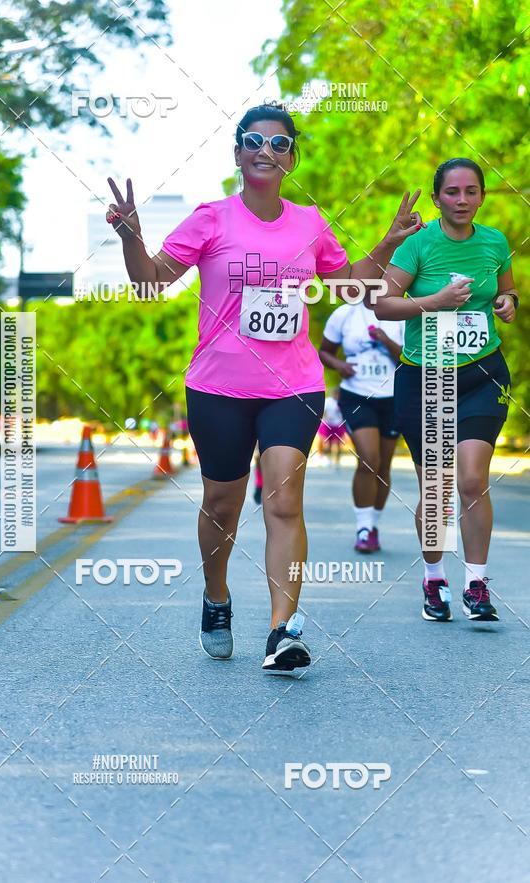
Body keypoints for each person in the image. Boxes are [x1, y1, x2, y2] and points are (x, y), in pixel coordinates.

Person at [106, 101, 423, 670]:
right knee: (222, 504)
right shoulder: (211, 218)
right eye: (253, 141)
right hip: (218, 387)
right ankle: (217, 595)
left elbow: (351, 285)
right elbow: (150, 281)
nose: (265, 151)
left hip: (293, 385)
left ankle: (283, 630)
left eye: (279, 144)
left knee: (284, 499)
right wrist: (132, 236)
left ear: (291, 157)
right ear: (237, 155)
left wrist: (391, 242)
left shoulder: (310, 222)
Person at [374, 157, 518, 622]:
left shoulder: (495, 242)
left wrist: (505, 302)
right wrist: (434, 302)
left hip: (482, 372)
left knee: (473, 479)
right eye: (452, 192)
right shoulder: (418, 244)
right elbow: (383, 305)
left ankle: (476, 584)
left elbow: (508, 290)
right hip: (425, 376)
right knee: (435, 488)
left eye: (471, 191)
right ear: (436, 199)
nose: (462, 200)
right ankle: (434, 578)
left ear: (481, 196)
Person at [319, 303, 405, 551]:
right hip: (357, 395)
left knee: (383, 466)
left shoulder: (401, 311)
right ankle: (363, 528)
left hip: (393, 396)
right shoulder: (345, 314)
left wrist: (385, 339)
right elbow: (324, 352)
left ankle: (374, 524)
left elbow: (409, 358)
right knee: (369, 459)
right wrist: (339, 365)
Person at [316, 388, 345, 466]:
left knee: (338, 443)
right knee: (324, 441)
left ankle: (337, 461)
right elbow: (323, 411)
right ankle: (322, 457)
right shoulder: (328, 401)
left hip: (338, 424)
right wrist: (325, 418)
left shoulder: (342, 401)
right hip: (328, 424)